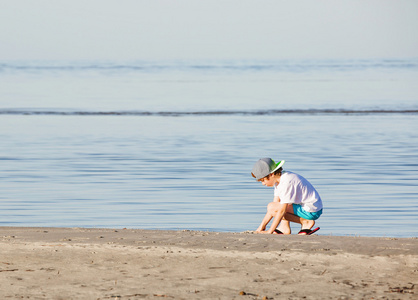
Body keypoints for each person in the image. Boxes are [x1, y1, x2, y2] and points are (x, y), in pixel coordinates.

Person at [251, 158, 323, 235]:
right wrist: (260, 228)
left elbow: (281, 210)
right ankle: (284, 227)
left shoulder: (287, 182)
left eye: (263, 180)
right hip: (305, 207)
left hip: (312, 210)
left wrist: (270, 231)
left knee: (277, 207)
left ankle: (306, 222)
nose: (263, 183)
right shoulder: (279, 180)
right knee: (275, 205)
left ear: (271, 174)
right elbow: (274, 206)